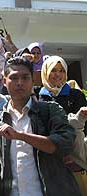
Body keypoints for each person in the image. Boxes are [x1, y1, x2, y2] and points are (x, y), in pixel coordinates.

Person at [0, 56, 81, 196]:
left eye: (25, 78)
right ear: (4, 81)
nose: (19, 83)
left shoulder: (50, 110)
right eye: (14, 78)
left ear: (33, 81)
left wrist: (20, 136)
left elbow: (64, 144)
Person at [38, 55, 87, 195]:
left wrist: (77, 155)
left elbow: (85, 126)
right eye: (53, 70)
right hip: (48, 161)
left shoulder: (76, 95)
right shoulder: (37, 95)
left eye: (61, 70)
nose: (57, 74)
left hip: (75, 160)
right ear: (45, 72)